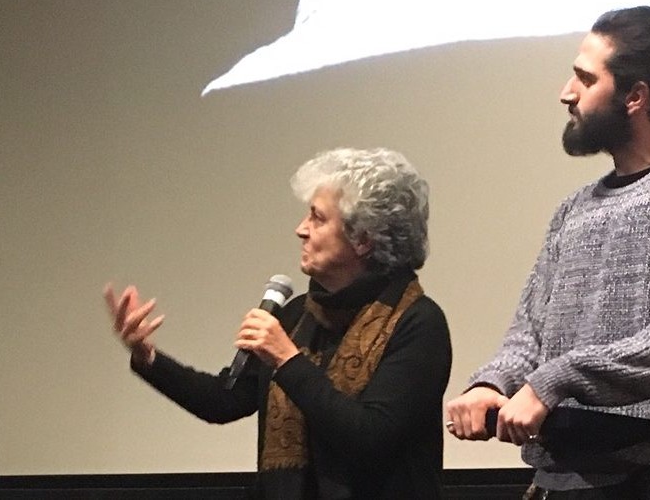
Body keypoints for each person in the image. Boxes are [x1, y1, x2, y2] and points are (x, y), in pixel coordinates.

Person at [445, 6, 650, 499]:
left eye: (586, 79)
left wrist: (553, 381)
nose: (566, 93)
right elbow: (530, 333)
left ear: (635, 97)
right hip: (560, 478)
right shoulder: (574, 209)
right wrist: (494, 383)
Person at [104, 148, 451, 499]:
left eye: (317, 218)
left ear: (362, 239)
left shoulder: (418, 322)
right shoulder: (298, 315)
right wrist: (147, 356)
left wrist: (287, 359)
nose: (301, 229)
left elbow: (370, 437)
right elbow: (223, 400)